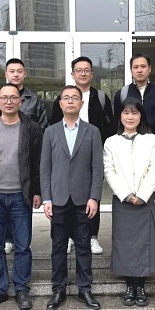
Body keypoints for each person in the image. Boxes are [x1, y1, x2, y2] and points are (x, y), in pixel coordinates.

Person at [0, 84, 43, 310]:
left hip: (21, 196)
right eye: (4, 98)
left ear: (20, 101)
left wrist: (37, 191)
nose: (9, 101)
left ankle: (21, 288)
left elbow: (37, 163)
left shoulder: (31, 127)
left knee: (23, 246)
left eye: (13, 98)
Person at [41, 85, 104, 310]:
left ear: (81, 103)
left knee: (83, 246)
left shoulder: (92, 132)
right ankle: (58, 289)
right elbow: (45, 168)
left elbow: (97, 168)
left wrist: (94, 197)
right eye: (66, 98)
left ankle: (84, 289)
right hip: (58, 199)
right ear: (60, 103)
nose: (70, 101)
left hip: (83, 199)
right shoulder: (50, 132)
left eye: (74, 98)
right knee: (58, 246)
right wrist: (47, 199)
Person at [50, 57, 115, 255]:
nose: (83, 73)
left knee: (92, 195)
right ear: (73, 74)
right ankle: (70, 237)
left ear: (92, 73)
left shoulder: (101, 97)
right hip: (68, 153)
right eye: (79, 70)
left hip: (92, 152)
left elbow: (110, 126)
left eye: (86, 70)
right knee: (69, 196)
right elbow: (54, 126)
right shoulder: (63, 98)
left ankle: (92, 237)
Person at [103, 98, 155, 307]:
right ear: (120, 116)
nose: (130, 117)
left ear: (141, 116)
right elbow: (109, 171)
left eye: (134, 113)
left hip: (146, 200)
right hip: (123, 201)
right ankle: (130, 285)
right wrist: (127, 194)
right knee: (125, 243)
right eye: (126, 113)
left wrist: (143, 195)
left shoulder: (151, 139)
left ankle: (141, 285)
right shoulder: (111, 142)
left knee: (144, 242)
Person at [0, 58, 47, 255]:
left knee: (20, 204)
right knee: (1, 205)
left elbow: (42, 127)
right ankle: (7, 239)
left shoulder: (34, 99)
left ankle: (19, 240)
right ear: (6, 74)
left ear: (24, 74)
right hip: (2, 162)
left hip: (26, 158)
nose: (15, 74)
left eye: (19, 71)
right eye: (11, 71)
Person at [113, 53, 155, 147]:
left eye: (143, 66)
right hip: (128, 145)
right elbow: (117, 120)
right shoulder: (122, 93)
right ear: (131, 70)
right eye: (135, 67)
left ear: (149, 69)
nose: (139, 70)